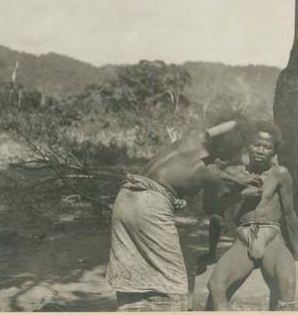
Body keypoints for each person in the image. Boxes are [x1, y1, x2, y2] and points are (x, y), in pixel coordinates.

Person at [105, 117, 255, 311]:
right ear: (225, 153)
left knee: (133, 273)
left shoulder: (190, 141)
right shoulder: (208, 174)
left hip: (125, 198)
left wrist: (237, 123)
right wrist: (243, 192)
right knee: (172, 284)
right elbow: (212, 208)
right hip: (151, 207)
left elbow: (212, 133)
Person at [205, 120, 298, 311]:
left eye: (267, 147)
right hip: (244, 238)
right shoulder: (234, 173)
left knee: (287, 286)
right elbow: (214, 210)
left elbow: (289, 214)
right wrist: (240, 195)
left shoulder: (280, 174)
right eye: (257, 145)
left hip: (271, 236)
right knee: (215, 285)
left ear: (274, 151)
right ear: (248, 145)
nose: (261, 150)